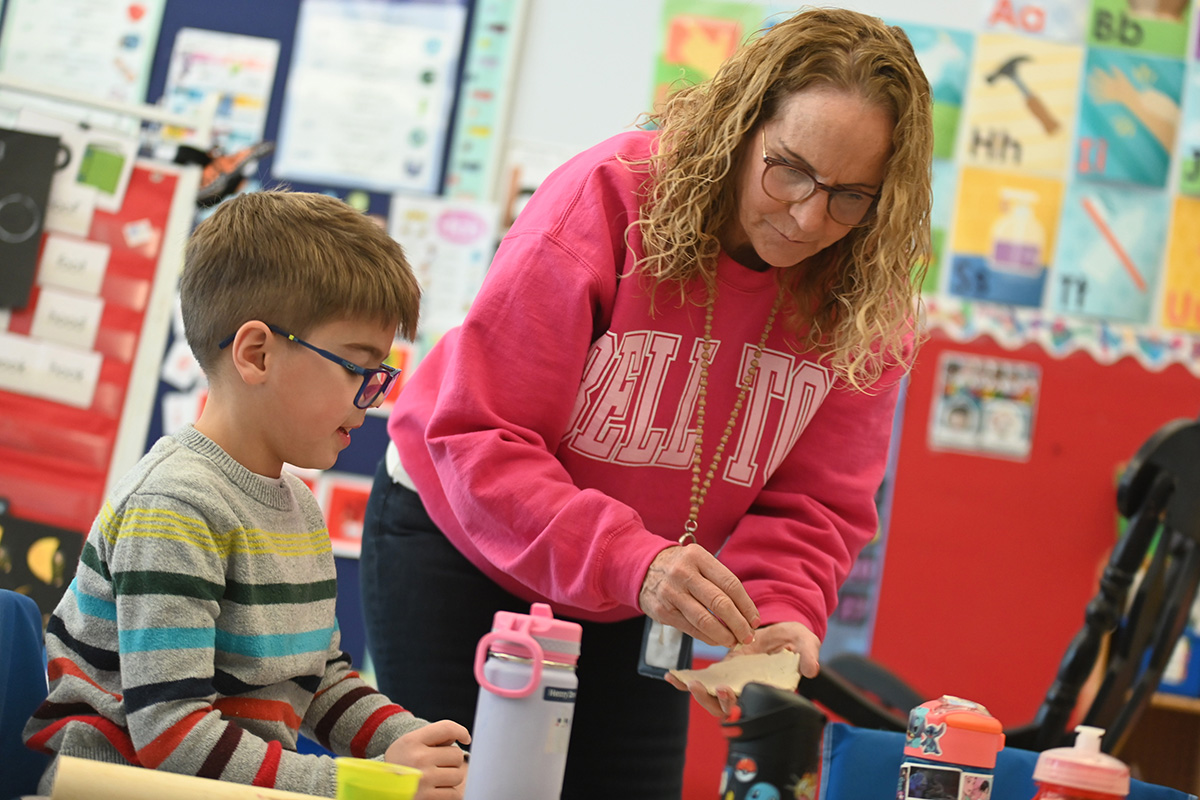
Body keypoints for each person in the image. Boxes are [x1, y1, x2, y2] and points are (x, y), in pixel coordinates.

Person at [360, 7, 933, 799]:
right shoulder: (607, 200)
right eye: (789, 169)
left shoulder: (865, 298)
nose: (808, 216)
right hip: (464, 543)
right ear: (741, 126)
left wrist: (780, 610)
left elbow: (817, 506)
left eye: (850, 196)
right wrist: (639, 561)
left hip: (641, 585)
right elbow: (479, 434)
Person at [23, 192, 470, 799]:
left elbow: (320, 681)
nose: (373, 397)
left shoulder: (296, 507)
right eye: (355, 369)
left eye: (379, 375)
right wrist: (361, 786)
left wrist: (422, 749)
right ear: (256, 353)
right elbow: (172, 737)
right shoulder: (174, 508)